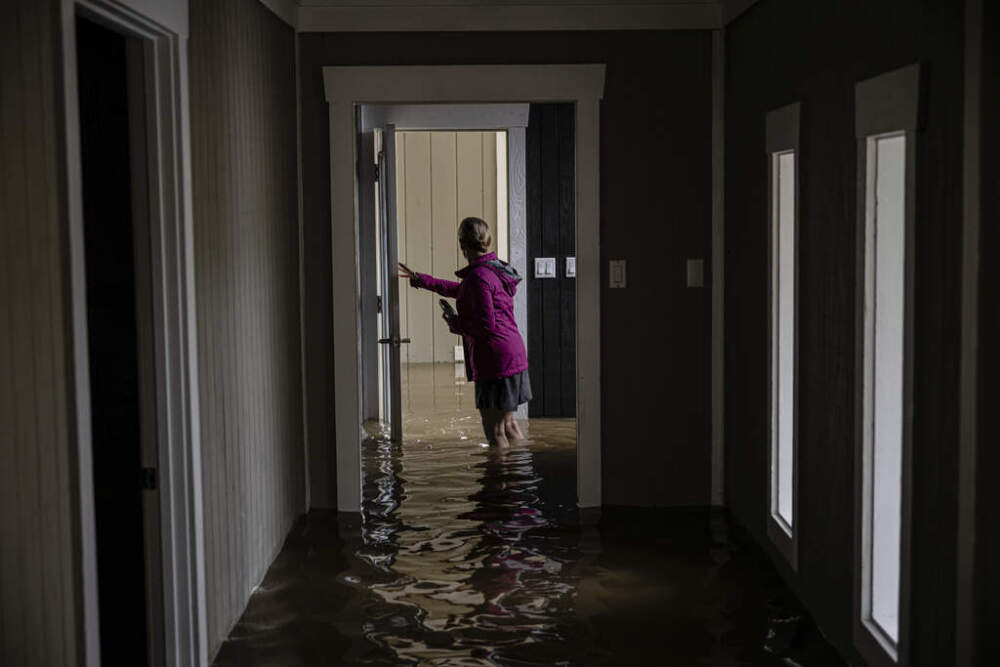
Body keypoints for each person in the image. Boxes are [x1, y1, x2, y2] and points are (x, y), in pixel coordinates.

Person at [398, 217, 531, 448]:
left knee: (495, 432)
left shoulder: (478, 277)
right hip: (514, 355)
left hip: (495, 360)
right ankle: (521, 480)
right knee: (510, 426)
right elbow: (461, 291)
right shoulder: (494, 270)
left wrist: (455, 323)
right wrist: (421, 280)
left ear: (462, 245)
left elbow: (485, 326)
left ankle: (498, 482)